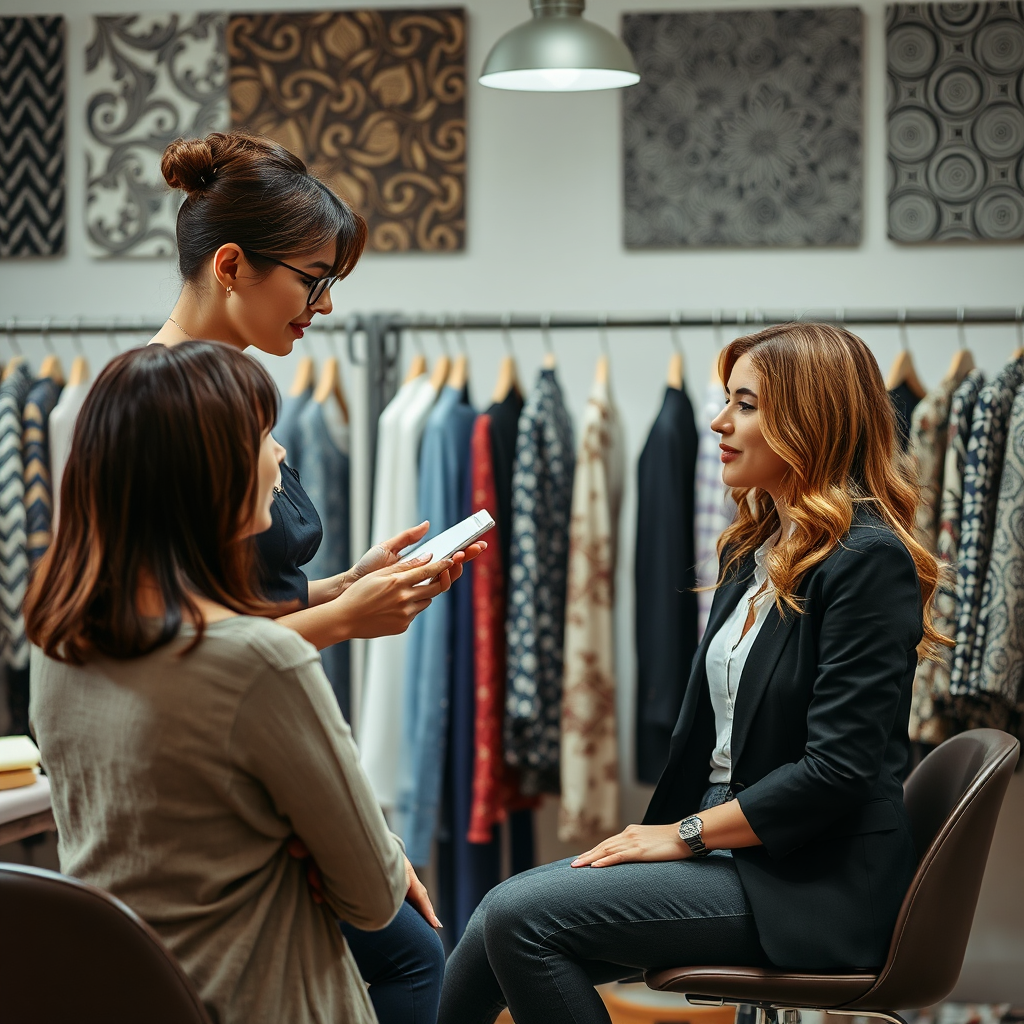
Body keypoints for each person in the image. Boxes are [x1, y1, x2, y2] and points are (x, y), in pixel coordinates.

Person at [438, 323, 948, 1024]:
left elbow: (841, 769)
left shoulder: (867, 560)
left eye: (746, 404)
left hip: (813, 881)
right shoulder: (757, 551)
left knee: (517, 919)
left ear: (810, 419)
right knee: (486, 929)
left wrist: (683, 835)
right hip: (740, 857)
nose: (719, 420)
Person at [27, 343, 448, 1024]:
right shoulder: (261, 664)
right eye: (261, 439)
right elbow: (372, 894)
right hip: (254, 1001)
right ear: (205, 476)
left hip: (121, 990)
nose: (282, 456)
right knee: (417, 946)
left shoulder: (60, 642)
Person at [150, 130, 470, 1022]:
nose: (324, 307)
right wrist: (341, 620)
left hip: (273, 736)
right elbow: (174, 655)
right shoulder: (175, 407)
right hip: (228, 763)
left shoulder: (227, 391)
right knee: (413, 956)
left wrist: (342, 586)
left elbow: (237, 598)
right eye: (313, 279)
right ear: (230, 265)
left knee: (411, 942)